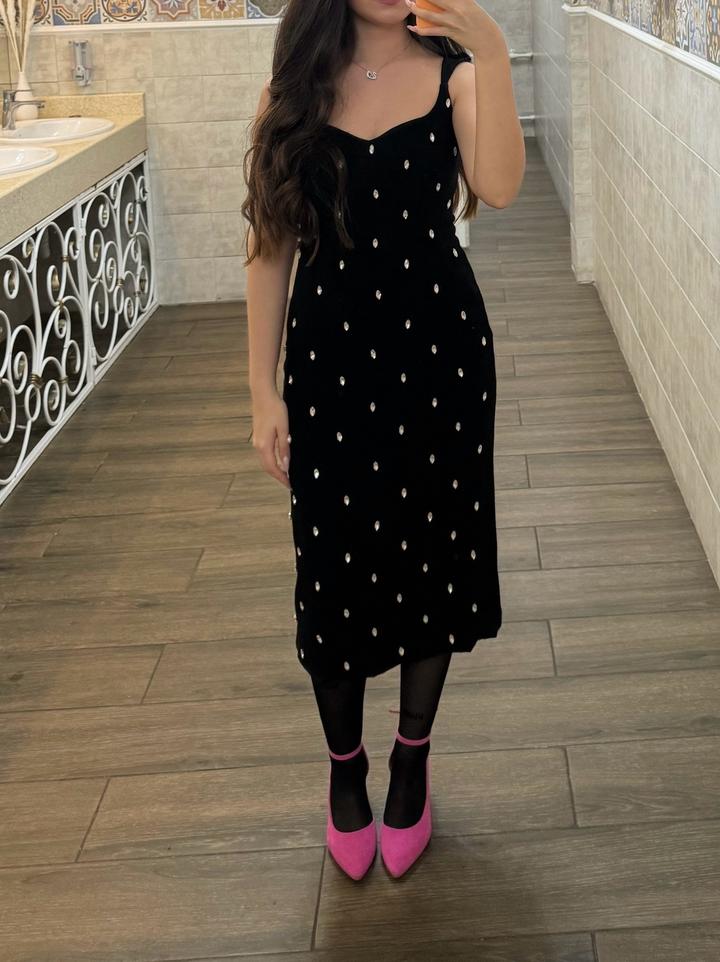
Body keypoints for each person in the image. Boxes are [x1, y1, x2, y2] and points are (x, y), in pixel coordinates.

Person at [243, 0, 525, 881]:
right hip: (330, 370)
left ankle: (411, 760)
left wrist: (491, 49)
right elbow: (269, 245)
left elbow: (500, 185)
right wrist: (261, 389)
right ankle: (345, 768)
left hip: (441, 361)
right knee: (334, 567)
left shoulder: (456, 77)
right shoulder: (293, 89)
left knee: (432, 558)